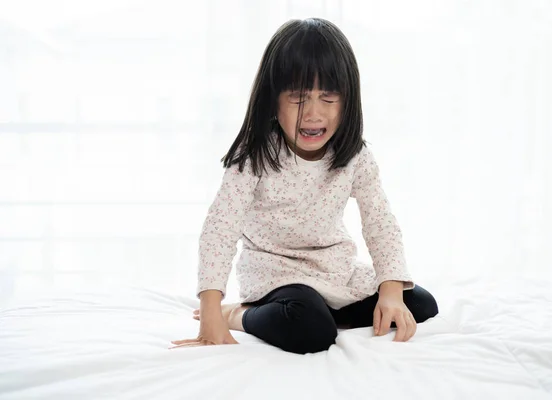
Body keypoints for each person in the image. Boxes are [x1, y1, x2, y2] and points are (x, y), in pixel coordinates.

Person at [171, 18, 438, 355]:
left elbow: (380, 223)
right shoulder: (254, 155)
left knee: (421, 304)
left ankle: (324, 311)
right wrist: (211, 311)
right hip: (276, 274)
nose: (313, 113)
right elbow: (219, 230)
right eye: (298, 98)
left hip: (333, 271)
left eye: (328, 98)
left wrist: (389, 290)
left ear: (347, 100)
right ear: (274, 99)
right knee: (311, 330)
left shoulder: (356, 155)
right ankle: (240, 314)